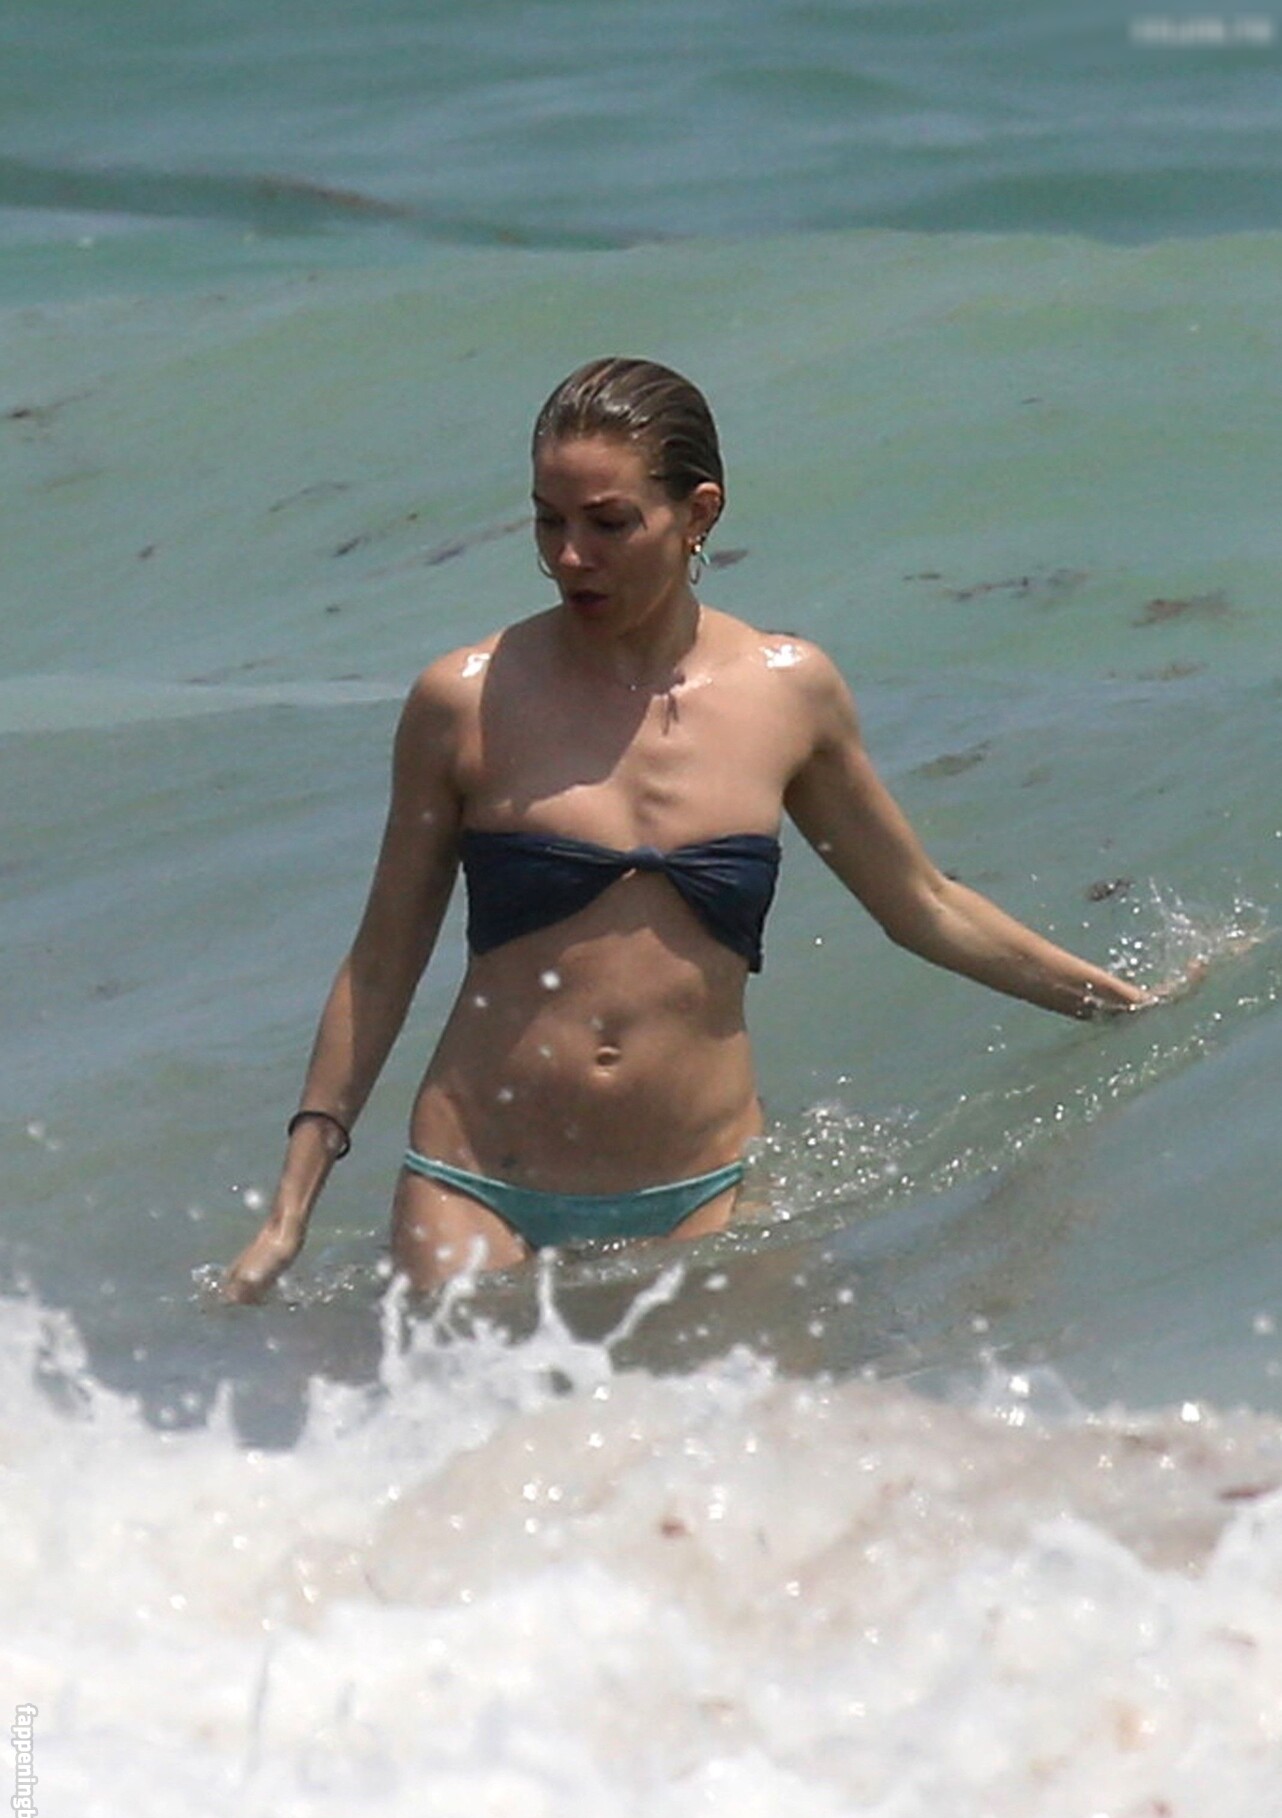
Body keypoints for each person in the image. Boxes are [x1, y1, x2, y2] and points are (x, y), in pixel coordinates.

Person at [223, 356, 1161, 1303]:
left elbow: (922, 904)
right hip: (475, 1190)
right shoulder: (463, 701)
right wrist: (288, 1213)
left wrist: (1126, 1005)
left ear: (698, 512)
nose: (570, 556)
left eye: (608, 523)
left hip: (706, 1196)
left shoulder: (788, 692)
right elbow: (383, 961)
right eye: (548, 521)